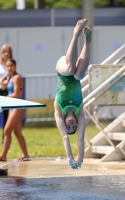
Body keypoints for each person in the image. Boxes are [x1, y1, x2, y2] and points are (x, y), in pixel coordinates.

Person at [54, 19, 92, 169]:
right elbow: (81, 138)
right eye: (73, 128)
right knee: (79, 76)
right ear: (76, 123)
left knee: (70, 70)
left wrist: (70, 157)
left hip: (63, 66)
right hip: (76, 72)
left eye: (68, 127)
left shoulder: (59, 112)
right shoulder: (79, 113)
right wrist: (80, 159)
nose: (71, 126)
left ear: (64, 124)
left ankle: (75, 34)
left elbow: (64, 137)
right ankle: (87, 41)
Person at [0, 58, 29, 161]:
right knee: (17, 132)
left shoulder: (17, 78)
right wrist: (7, 74)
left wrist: (4, 98)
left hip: (18, 107)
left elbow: (17, 94)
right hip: (12, 107)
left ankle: (3, 155)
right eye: (7, 66)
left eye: (11, 66)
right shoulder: (11, 78)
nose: (9, 68)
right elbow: (1, 83)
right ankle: (25, 155)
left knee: (6, 130)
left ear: (15, 66)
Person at [0, 44, 13, 143]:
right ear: (1, 52)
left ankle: (4, 139)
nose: (6, 53)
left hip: (6, 92)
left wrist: (4, 84)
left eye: (8, 52)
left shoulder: (10, 64)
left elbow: (12, 77)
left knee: (6, 115)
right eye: (4, 51)